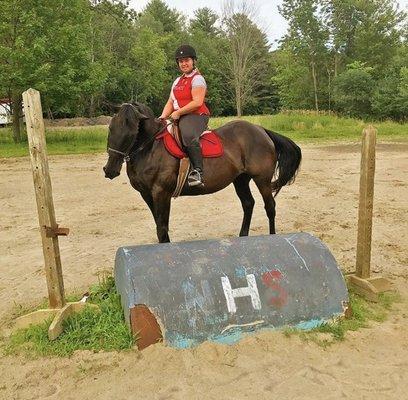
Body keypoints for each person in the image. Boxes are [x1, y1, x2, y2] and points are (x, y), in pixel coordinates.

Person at [159, 44, 210, 187]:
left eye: (187, 60)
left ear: (193, 61)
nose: (184, 63)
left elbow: (197, 102)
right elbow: (170, 102)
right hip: (179, 115)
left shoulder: (198, 79)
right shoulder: (177, 81)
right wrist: (162, 118)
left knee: (187, 134)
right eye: (181, 61)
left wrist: (178, 112)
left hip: (197, 115)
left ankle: (198, 171)